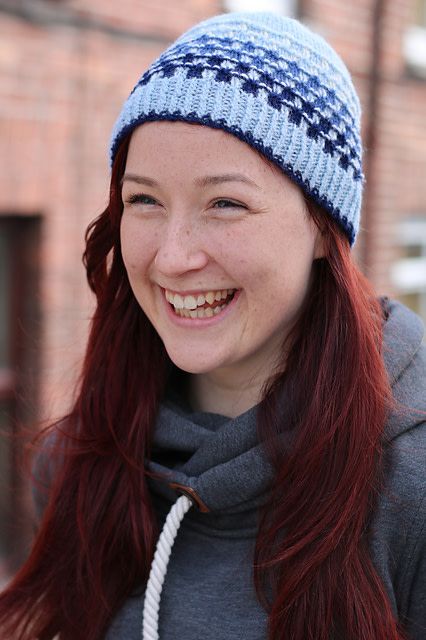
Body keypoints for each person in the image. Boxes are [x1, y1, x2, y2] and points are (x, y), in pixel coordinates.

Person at [0, 11, 424, 640]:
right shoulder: (83, 462)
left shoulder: (409, 486)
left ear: (321, 227)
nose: (173, 257)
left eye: (225, 203)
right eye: (144, 199)